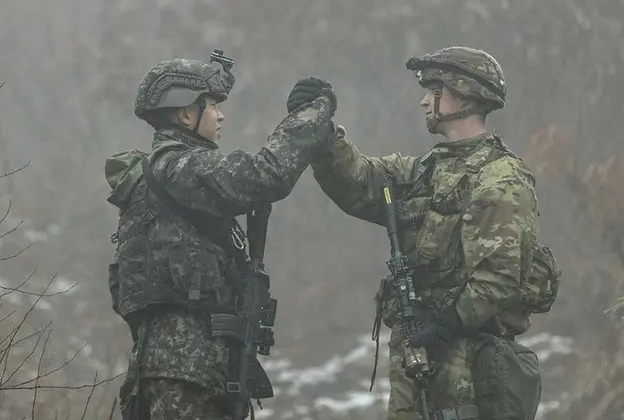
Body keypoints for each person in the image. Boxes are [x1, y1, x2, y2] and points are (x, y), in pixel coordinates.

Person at [287, 46, 559, 420]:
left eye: (433, 91)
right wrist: (321, 132)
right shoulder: (424, 172)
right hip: (419, 361)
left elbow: (498, 279)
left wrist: (445, 326)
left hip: (468, 368)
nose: (423, 102)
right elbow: (359, 182)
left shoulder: (500, 179)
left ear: (461, 94)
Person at [105, 54, 336, 419]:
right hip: (186, 372)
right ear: (185, 114)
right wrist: (313, 113)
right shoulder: (180, 169)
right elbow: (267, 173)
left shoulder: (163, 177)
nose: (220, 115)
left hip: (180, 367)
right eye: (211, 105)